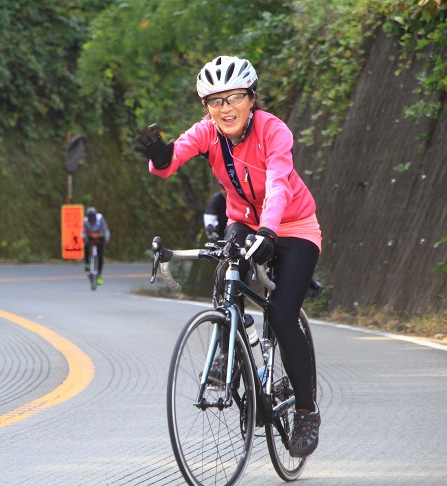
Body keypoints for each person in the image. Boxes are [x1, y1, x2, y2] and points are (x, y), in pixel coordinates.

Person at [135, 55, 322, 458]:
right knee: (227, 272)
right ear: (206, 107)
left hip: (292, 225)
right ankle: (226, 349)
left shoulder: (274, 130)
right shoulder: (208, 132)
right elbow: (170, 162)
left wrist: (270, 230)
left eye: (235, 97)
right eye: (215, 101)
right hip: (243, 221)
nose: (225, 108)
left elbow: (278, 185)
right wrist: (162, 157)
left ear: (251, 99)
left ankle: (306, 412)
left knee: (282, 316)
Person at [82, 207, 110, 285]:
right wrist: (84, 238)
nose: (92, 222)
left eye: (93, 220)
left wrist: (107, 239)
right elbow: (83, 232)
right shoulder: (85, 221)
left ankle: (99, 275)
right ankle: (87, 262)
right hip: (90, 236)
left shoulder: (100, 218)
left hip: (99, 237)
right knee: (86, 245)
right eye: (90, 220)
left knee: (100, 256)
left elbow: (106, 230)